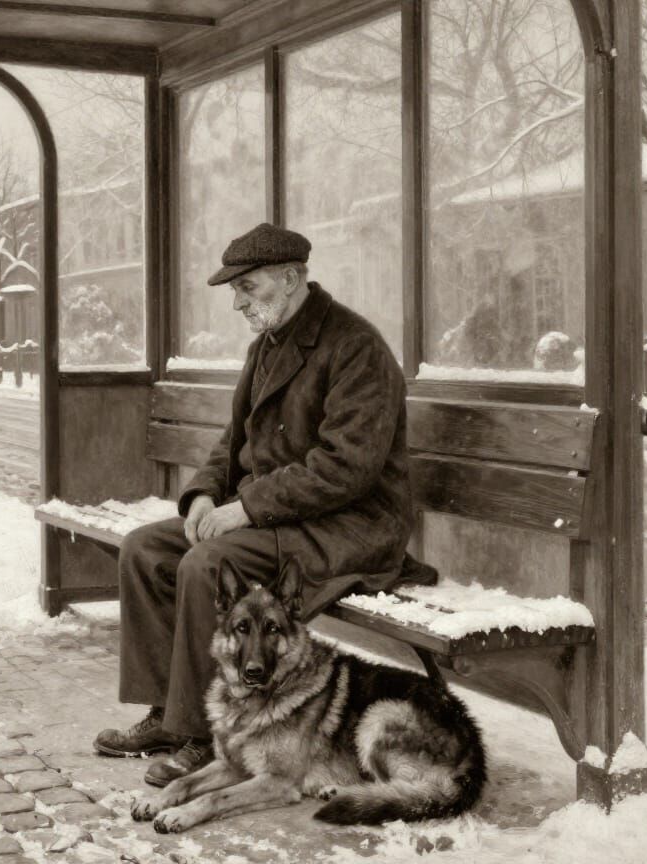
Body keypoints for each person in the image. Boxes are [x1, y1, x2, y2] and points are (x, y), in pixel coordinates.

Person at [93, 223, 415, 788]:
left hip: (347, 526)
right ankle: (168, 715)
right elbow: (233, 442)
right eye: (236, 291)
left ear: (290, 278)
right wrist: (203, 495)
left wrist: (244, 509)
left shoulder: (355, 347)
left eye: (248, 287)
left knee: (207, 563)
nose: (239, 302)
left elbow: (345, 468)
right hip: (282, 518)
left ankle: (203, 736)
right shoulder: (266, 346)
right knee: (145, 549)